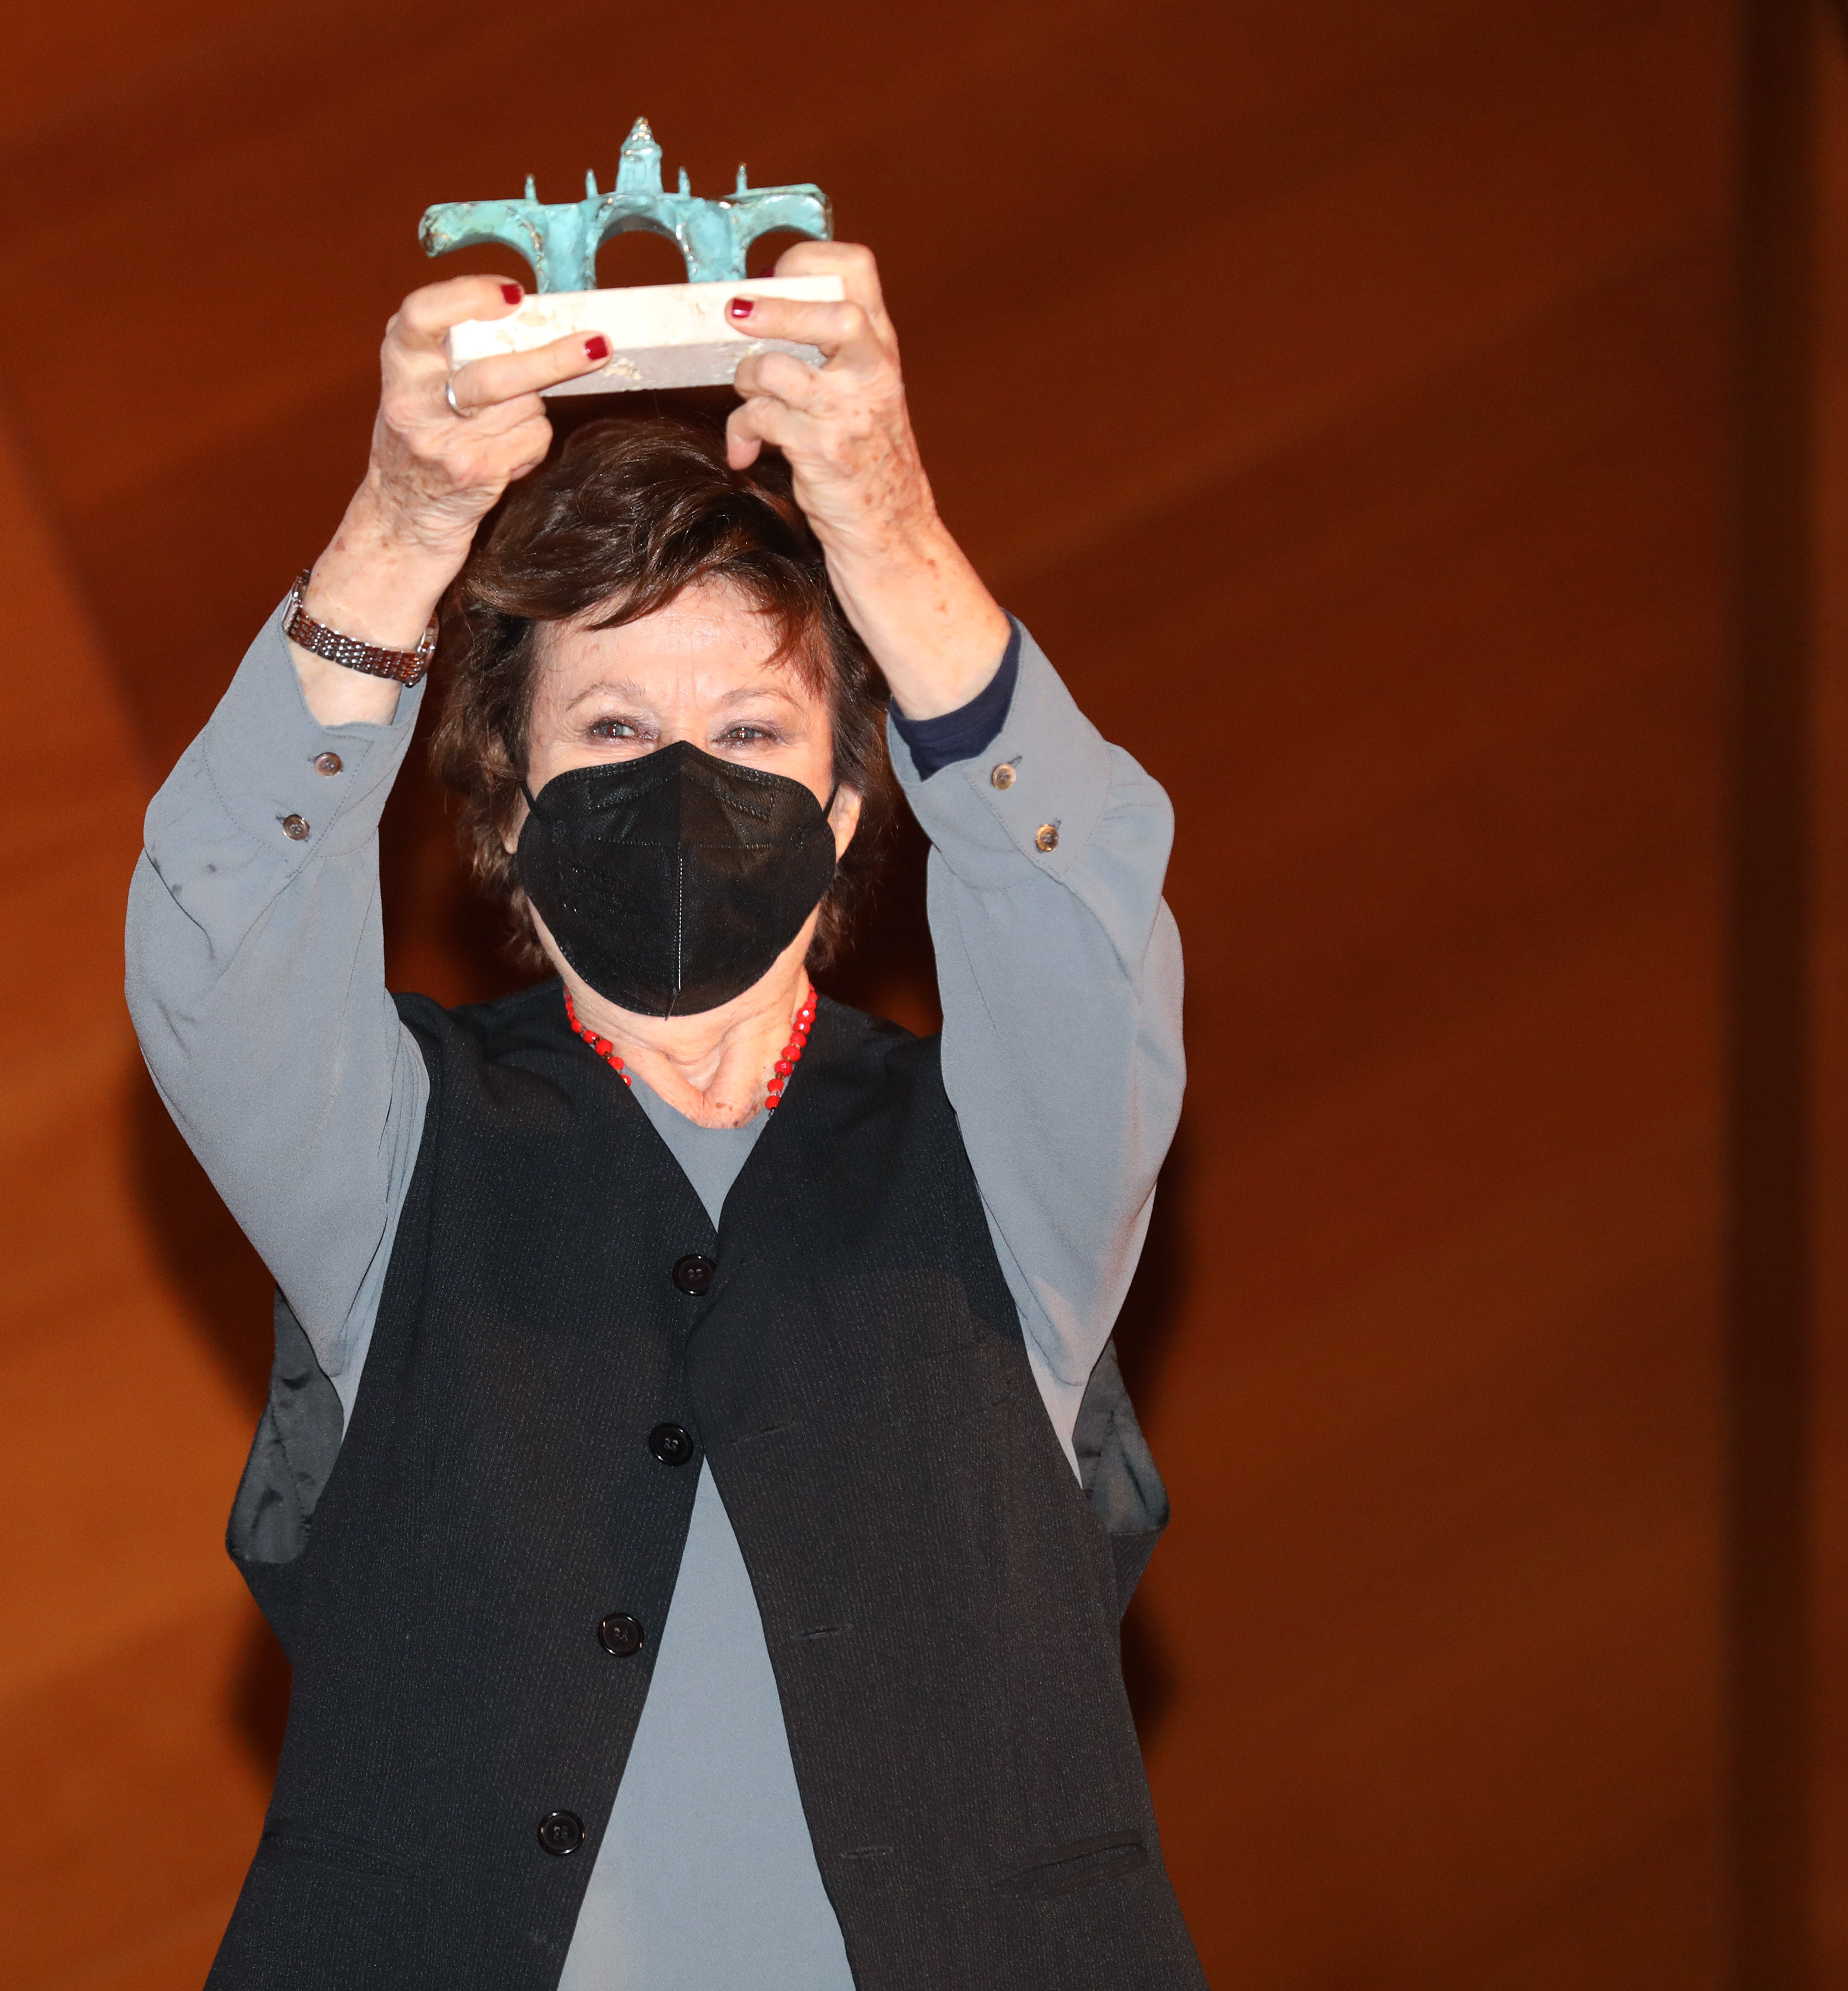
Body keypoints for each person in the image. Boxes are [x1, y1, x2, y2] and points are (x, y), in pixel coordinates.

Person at [127, 244, 1199, 1989]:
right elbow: (217, 933)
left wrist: (888, 528)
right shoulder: (391, 1156)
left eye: (753, 728)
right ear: (509, 808)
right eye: (613, 726)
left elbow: (1089, 926)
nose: (684, 776)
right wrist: (402, 524)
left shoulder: (1006, 1159)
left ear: (847, 809)